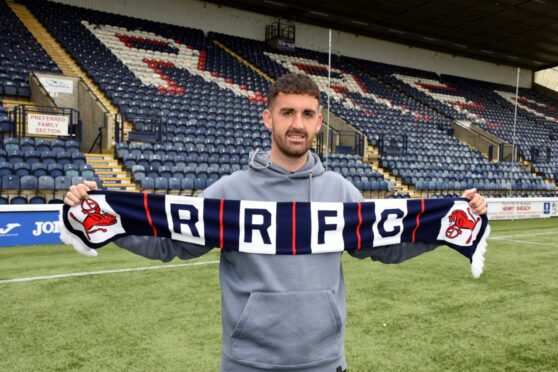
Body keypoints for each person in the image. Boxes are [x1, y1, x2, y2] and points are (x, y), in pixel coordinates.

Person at [65, 73, 487, 371]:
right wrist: (102, 217)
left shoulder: (339, 191)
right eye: (287, 113)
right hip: (248, 363)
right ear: (268, 118)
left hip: (324, 361)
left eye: (306, 114)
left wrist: (447, 225)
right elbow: (169, 241)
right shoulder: (230, 192)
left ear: (319, 123)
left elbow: (387, 243)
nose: (297, 124)